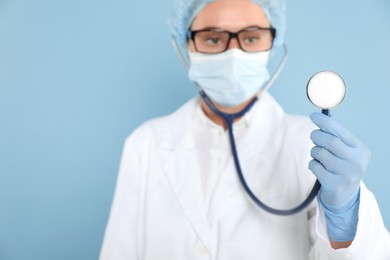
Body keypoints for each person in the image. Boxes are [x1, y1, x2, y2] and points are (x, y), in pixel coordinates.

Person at [99, 0, 390, 259]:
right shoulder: (146, 143)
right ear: (186, 43)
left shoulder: (311, 146)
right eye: (213, 39)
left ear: (272, 44)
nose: (234, 54)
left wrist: (345, 220)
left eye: (251, 38)